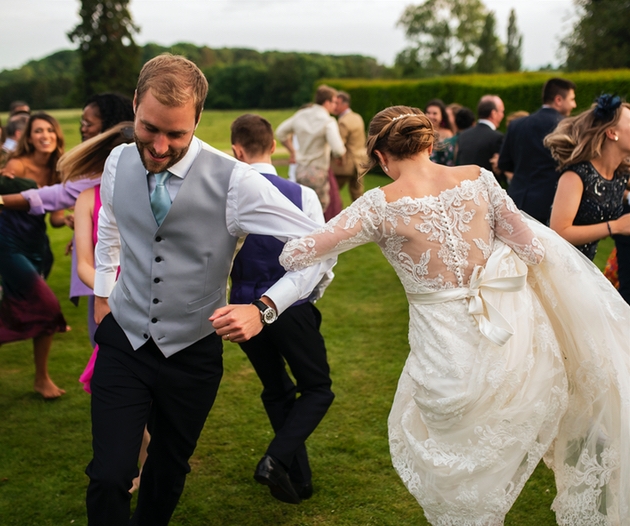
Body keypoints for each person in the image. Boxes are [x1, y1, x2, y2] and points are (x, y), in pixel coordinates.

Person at [279, 105, 630, 525]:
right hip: (508, 341)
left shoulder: (378, 205)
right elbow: (533, 250)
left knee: (451, 461)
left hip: (442, 352)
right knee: (497, 442)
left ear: (380, 156)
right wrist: (492, 260)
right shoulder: (479, 179)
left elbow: (294, 253)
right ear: (430, 142)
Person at [87, 54, 334, 526]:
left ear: (198, 119)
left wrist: (263, 309)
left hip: (192, 353)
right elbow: (109, 226)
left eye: (176, 134)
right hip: (124, 340)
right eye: (149, 128)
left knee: (167, 470)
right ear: (136, 104)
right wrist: (103, 294)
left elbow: (318, 247)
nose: (158, 147)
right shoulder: (119, 159)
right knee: (110, 473)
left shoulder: (236, 183)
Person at [229, 113, 335, 503]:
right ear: (274, 146)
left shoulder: (229, 196)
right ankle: (276, 460)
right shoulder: (302, 194)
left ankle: (298, 479)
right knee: (318, 388)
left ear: (236, 150)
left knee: (276, 390)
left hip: (242, 306)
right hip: (289, 303)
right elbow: (320, 254)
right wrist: (313, 297)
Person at [0, 93, 135, 346]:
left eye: (88, 123)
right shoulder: (108, 168)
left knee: (106, 346)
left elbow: (55, 196)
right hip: (103, 274)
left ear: (108, 125)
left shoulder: (111, 168)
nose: (83, 129)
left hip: (117, 274)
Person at [0, 113, 67, 399]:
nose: (45, 136)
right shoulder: (17, 165)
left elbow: (55, 218)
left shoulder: (57, 170)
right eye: (38, 131)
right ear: (29, 137)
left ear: (57, 135)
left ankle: (42, 379)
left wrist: (73, 219)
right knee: (48, 305)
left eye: (49, 130)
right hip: (7, 241)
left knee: (19, 309)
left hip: (36, 245)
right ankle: (41, 379)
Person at [546, 95, 630, 261]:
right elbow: (559, 231)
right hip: (559, 265)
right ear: (612, 133)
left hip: (585, 265)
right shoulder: (576, 175)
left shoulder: (620, 173)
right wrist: (616, 227)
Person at [499, 77, 577, 224]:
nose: (575, 104)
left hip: (516, 200)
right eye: (572, 99)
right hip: (550, 203)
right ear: (558, 100)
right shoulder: (568, 127)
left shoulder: (517, 124)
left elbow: (504, 163)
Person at [276, 85, 346, 212]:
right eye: (334, 102)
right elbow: (338, 149)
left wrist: (292, 151)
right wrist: (340, 158)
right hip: (317, 171)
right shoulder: (328, 121)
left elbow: (280, 132)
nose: (335, 106)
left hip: (300, 169)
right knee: (319, 208)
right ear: (326, 102)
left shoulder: (301, 115)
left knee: (302, 206)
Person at [456, 94, 505, 184]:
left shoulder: (463, 135)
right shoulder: (497, 137)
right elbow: (501, 170)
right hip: (486, 191)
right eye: (501, 112)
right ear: (493, 114)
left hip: (464, 188)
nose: (502, 115)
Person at [332, 91, 367, 201]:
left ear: (344, 104)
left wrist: (337, 158)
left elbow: (339, 145)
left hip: (345, 164)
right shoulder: (357, 117)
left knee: (332, 194)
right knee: (358, 197)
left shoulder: (343, 121)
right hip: (360, 163)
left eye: (337, 103)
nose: (334, 106)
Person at [425, 99, 455, 166]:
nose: (431, 116)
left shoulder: (447, 134)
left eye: (435, 113)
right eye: (428, 113)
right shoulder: (421, 132)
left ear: (442, 116)